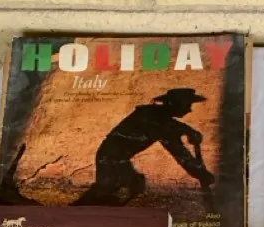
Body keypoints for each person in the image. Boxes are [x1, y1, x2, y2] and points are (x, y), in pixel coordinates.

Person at [75, 88, 215, 206]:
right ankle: (79, 214)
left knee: (130, 186)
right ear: (175, 104)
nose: (189, 109)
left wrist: (188, 130)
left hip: (115, 157)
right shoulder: (158, 122)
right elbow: (180, 153)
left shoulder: (155, 115)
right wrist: (201, 174)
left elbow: (171, 125)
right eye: (187, 105)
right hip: (111, 158)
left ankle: (89, 212)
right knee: (107, 192)